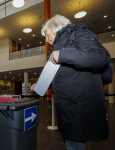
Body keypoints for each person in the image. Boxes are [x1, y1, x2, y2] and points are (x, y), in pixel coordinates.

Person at [31, 14, 110, 150]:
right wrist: (41, 85)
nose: (46, 39)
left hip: (79, 108)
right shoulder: (55, 49)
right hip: (66, 108)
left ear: (56, 28)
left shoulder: (78, 35)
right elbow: (60, 75)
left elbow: (100, 57)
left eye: (47, 34)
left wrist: (63, 55)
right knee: (71, 143)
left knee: (74, 144)